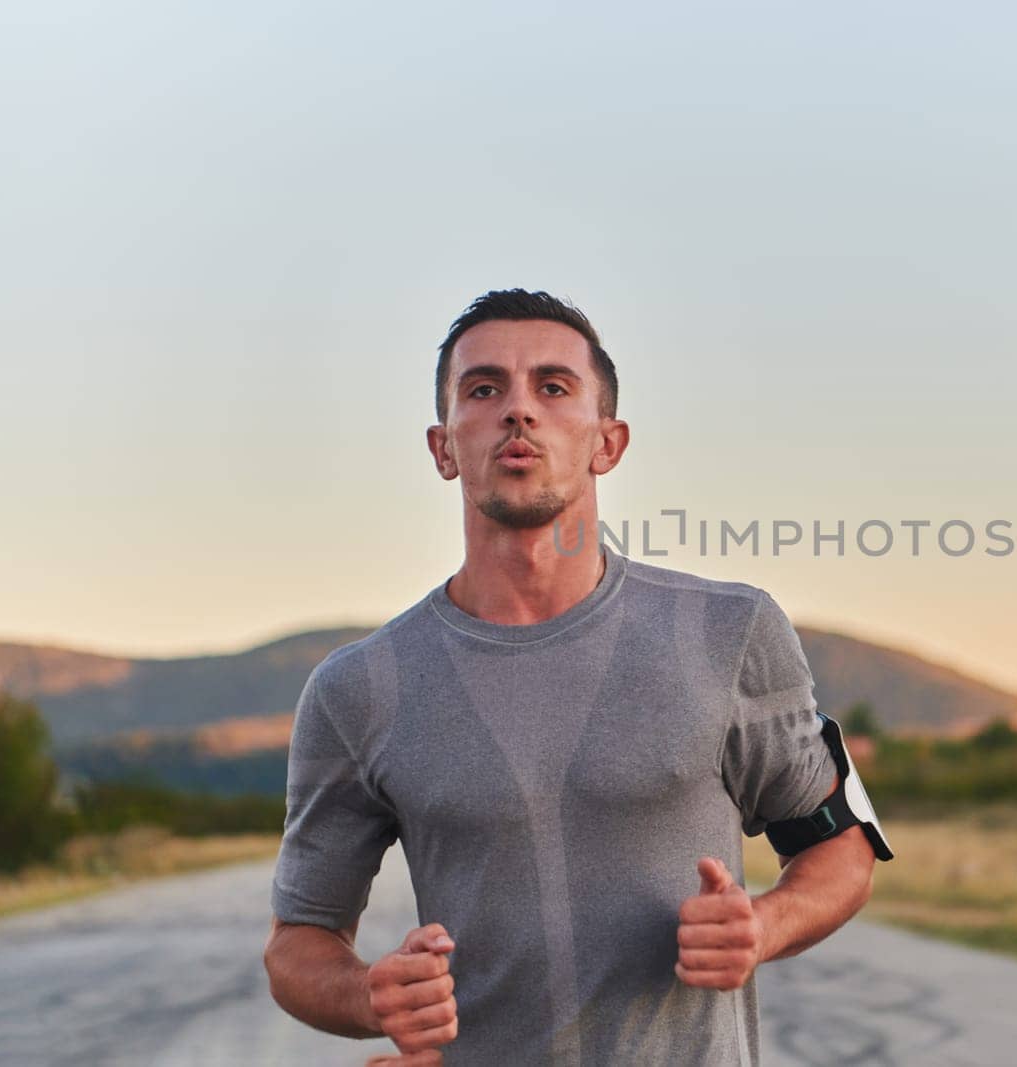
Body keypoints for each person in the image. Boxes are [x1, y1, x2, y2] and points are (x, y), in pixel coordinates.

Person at [262, 289, 888, 1065]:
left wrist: (764, 926)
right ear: (443, 446)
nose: (518, 411)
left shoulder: (728, 633)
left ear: (607, 441)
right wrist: (370, 997)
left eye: (553, 388)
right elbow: (297, 944)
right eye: (483, 389)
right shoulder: (359, 687)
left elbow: (843, 848)